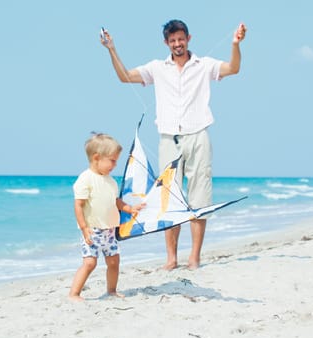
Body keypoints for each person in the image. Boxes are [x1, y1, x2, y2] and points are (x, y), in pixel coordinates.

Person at [101, 19, 247, 270]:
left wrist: (235, 44)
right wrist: (112, 49)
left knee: (199, 197)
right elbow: (125, 77)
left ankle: (195, 257)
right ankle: (171, 258)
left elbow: (233, 68)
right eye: (172, 41)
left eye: (181, 39)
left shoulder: (204, 65)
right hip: (168, 138)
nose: (177, 44)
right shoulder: (158, 68)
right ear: (166, 43)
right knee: (168, 199)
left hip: (198, 135)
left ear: (189, 38)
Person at [69, 133, 144, 301]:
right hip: (92, 230)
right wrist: (84, 228)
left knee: (113, 262)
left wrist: (130, 208)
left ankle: (111, 290)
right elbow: (78, 205)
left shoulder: (110, 181)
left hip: (109, 231)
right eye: (112, 160)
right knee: (90, 263)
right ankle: (74, 293)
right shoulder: (85, 179)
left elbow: (115, 201)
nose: (115, 164)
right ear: (97, 158)